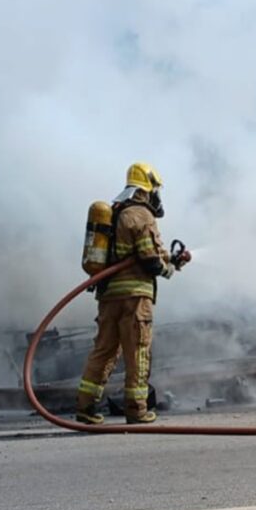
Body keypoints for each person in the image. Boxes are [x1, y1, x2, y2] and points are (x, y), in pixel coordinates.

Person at [75, 162, 190, 425]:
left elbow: (137, 252)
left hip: (108, 297)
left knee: (103, 351)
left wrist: (171, 258)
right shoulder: (141, 214)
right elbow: (149, 258)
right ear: (147, 189)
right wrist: (169, 269)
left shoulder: (115, 212)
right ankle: (136, 410)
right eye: (155, 190)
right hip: (135, 299)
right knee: (137, 352)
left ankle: (85, 407)